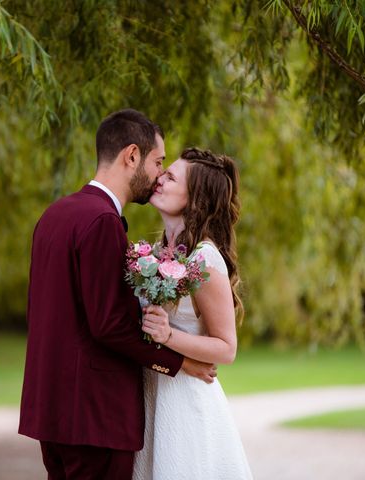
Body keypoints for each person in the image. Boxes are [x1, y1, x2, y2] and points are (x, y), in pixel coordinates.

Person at [19, 110, 217, 480]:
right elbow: (109, 326)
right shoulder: (102, 222)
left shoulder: (55, 215)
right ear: (131, 156)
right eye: (158, 162)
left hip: (51, 410)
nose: (159, 175)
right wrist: (179, 364)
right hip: (94, 416)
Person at [132, 147, 253, 479]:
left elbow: (226, 348)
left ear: (195, 198)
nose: (160, 178)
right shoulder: (154, 254)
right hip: (150, 393)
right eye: (164, 171)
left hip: (184, 401)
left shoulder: (205, 259)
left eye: (171, 177)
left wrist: (169, 335)